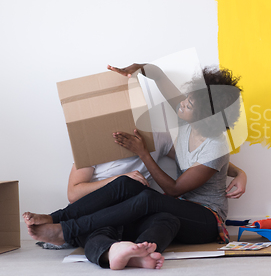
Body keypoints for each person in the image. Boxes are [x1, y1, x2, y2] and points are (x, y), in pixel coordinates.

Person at [24, 64, 246, 270]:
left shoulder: (216, 146)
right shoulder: (187, 122)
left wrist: (143, 152)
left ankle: (67, 231)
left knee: (149, 199)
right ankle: (60, 220)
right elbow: (157, 74)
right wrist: (137, 69)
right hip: (178, 209)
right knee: (126, 184)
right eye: (187, 98)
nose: (181, 103)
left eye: (188, 104)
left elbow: (174, 189)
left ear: (204, 117)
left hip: (207, 219)